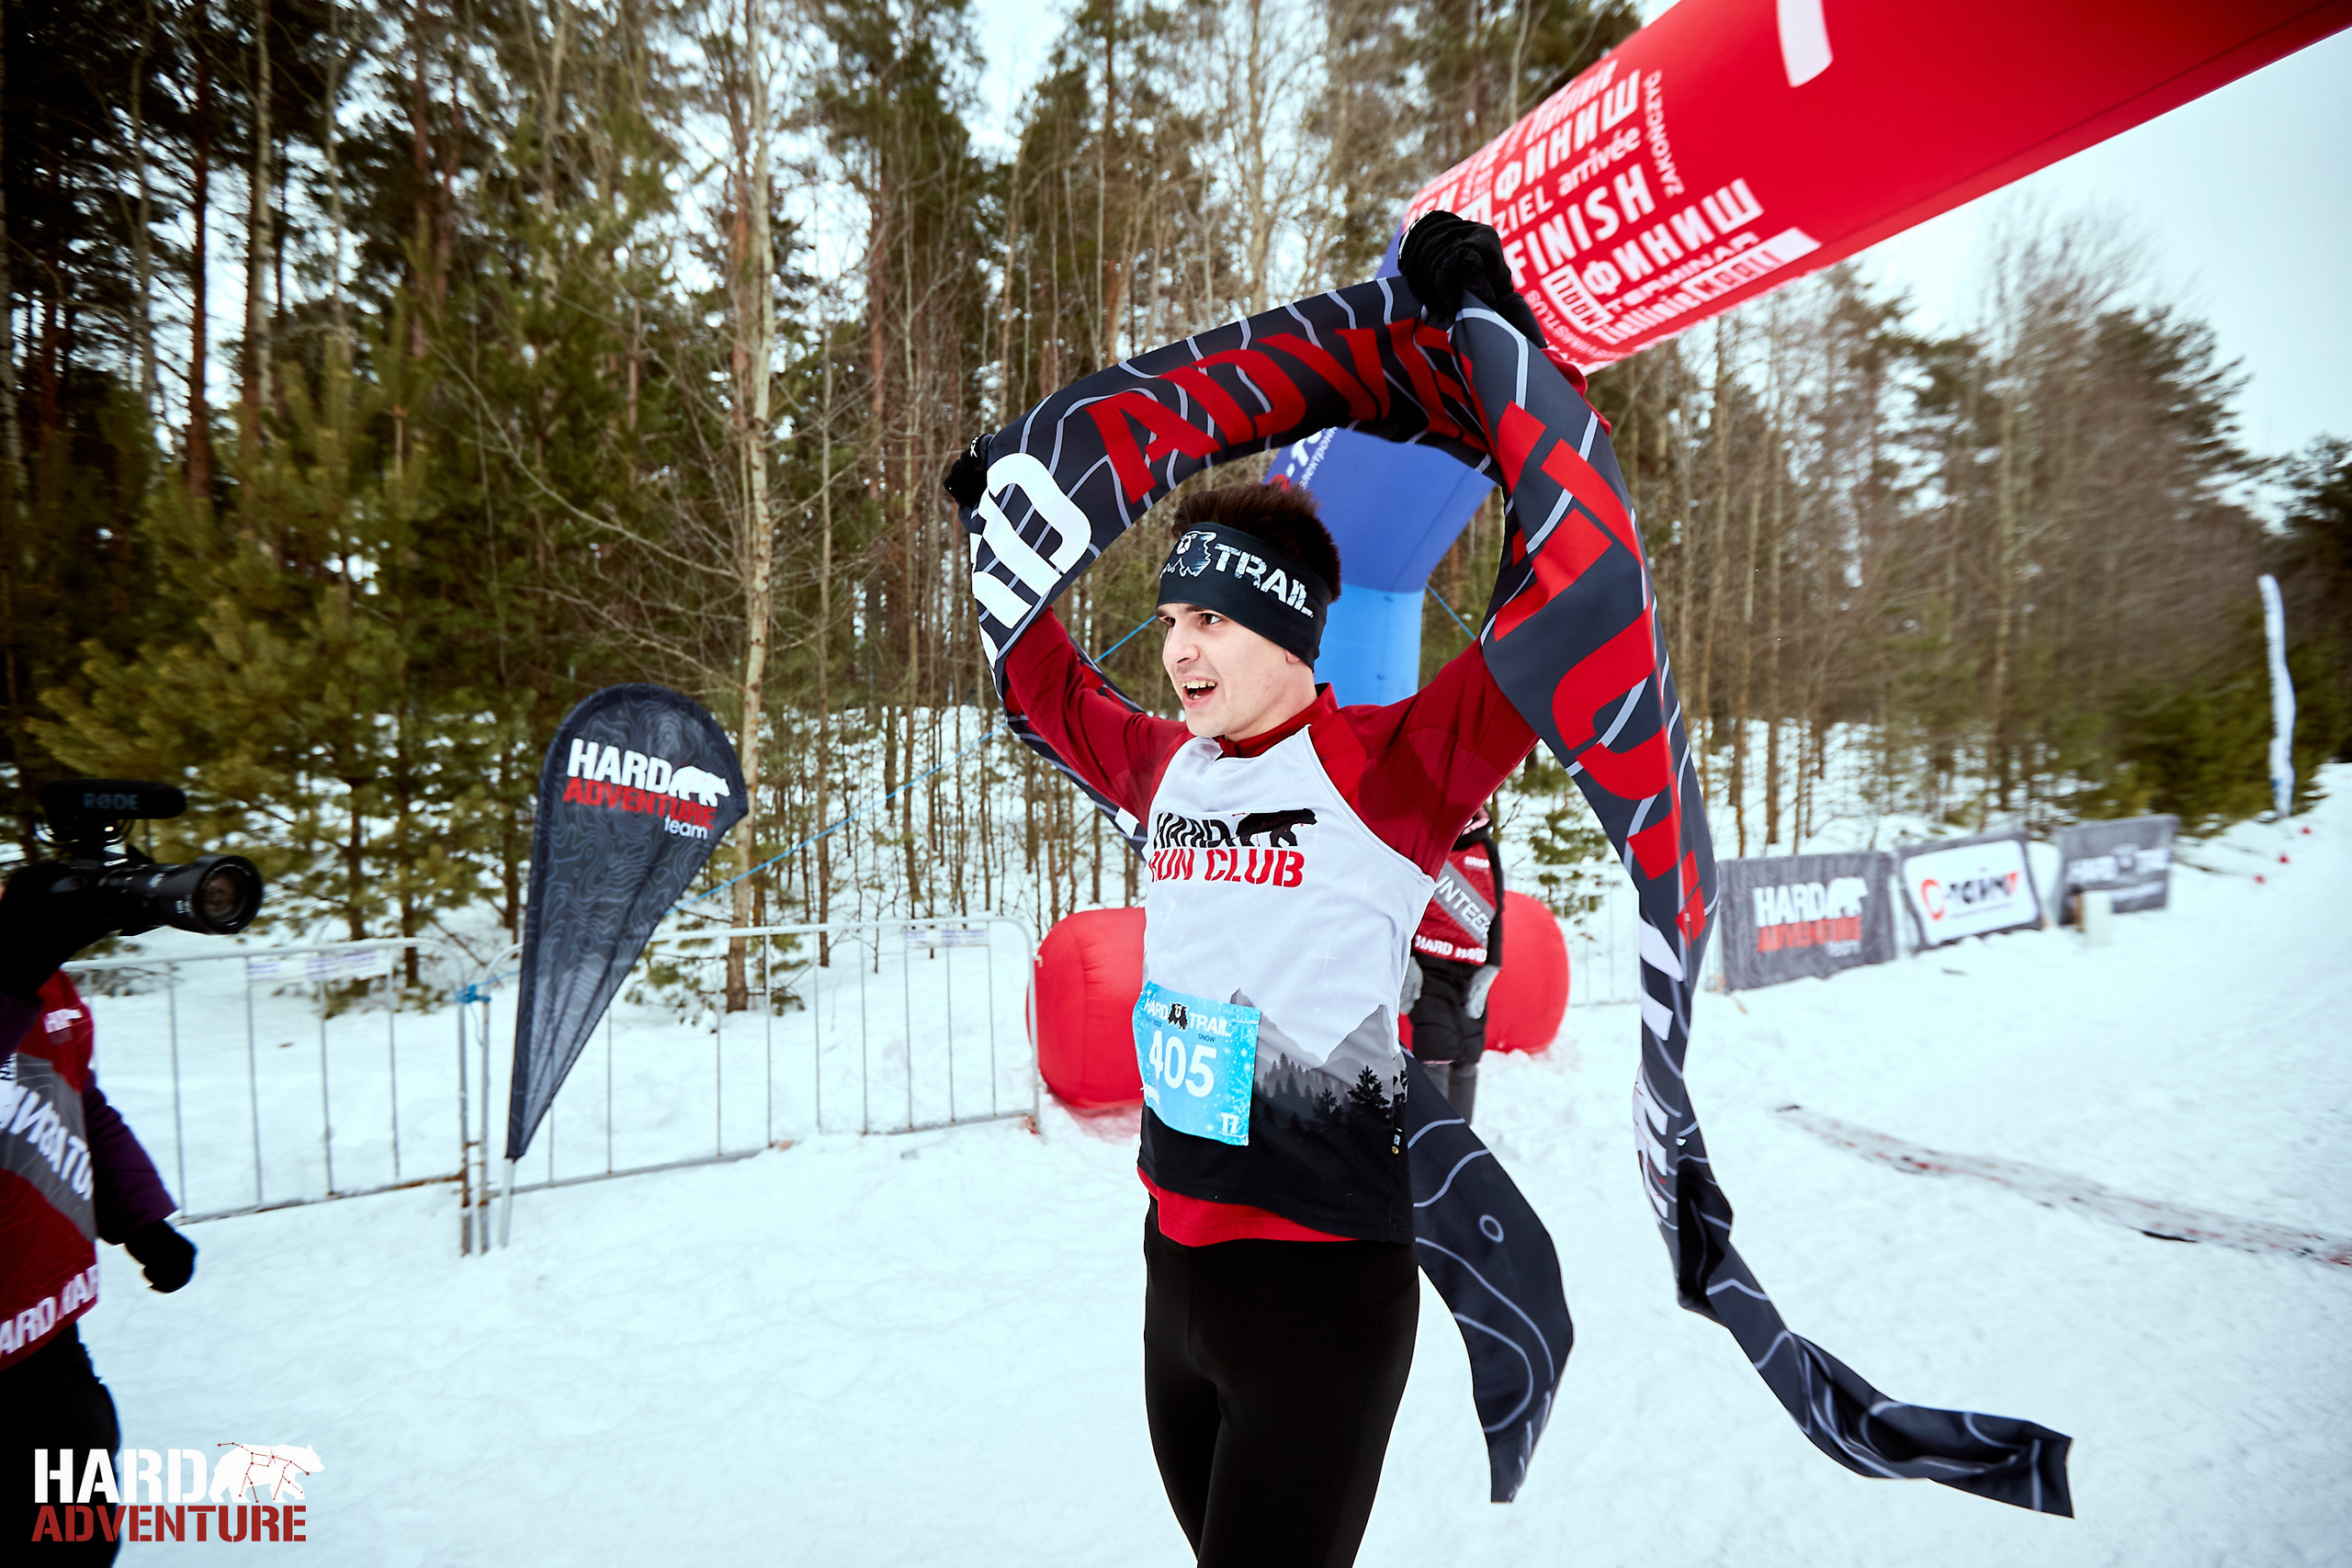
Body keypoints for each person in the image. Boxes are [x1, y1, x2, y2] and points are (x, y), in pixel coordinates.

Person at [976, 460, 1541, 1562]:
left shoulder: (1391, 768)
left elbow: (1552, 618)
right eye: (1173, 620)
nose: (1179, 650)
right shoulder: (1168, 768)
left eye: (1213, 622)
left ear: (1288, 632)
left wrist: (1504, 378)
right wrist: (992, 535)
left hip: (1318, 1290)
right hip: (1175, 1272)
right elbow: (1046, 688)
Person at [2, 871, 197, 1563]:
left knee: (79, 1524)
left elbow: (77, 1096)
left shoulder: (41, 972)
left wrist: (142, 1218)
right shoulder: (19, 964)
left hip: (43, 1322)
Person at [1403, 801, 1503, 1121]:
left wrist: (1492, 967)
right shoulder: (1426, 840)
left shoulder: (1487, 848)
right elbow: (1402, 904)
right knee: (1435, 1049)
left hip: (1472, 970)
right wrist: (1406, 961)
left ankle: (1464, 1140)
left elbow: (1498, 913)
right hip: (1429, 966)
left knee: (1468, 1051)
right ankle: (1436, 1141)